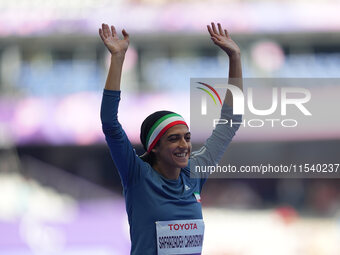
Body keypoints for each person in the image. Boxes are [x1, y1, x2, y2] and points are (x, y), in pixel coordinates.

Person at [99, 22, 242, 255]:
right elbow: (110, 124)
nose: (184, 145)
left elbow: (230, 122)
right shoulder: (138, 176)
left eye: (187, 137)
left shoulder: (193, 173)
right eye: (174, 139)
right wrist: (117, 58)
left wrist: (235, 57)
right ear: (155, 147)